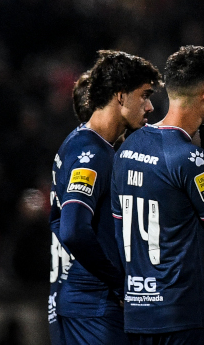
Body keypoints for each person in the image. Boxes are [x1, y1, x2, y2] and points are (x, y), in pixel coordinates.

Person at [112, 45, 204, 345]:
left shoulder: (127, 149)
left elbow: (118, 232)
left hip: (138, 317)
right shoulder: (190, 160)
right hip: (184, 318)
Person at [50, 52, 161, 345]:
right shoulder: (91, 154)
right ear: (121, 96)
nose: (149, 106)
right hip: (93, 305)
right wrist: (119, 283)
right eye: (144, 96)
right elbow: (73, 230)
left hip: (89, 303)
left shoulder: (86, 143)